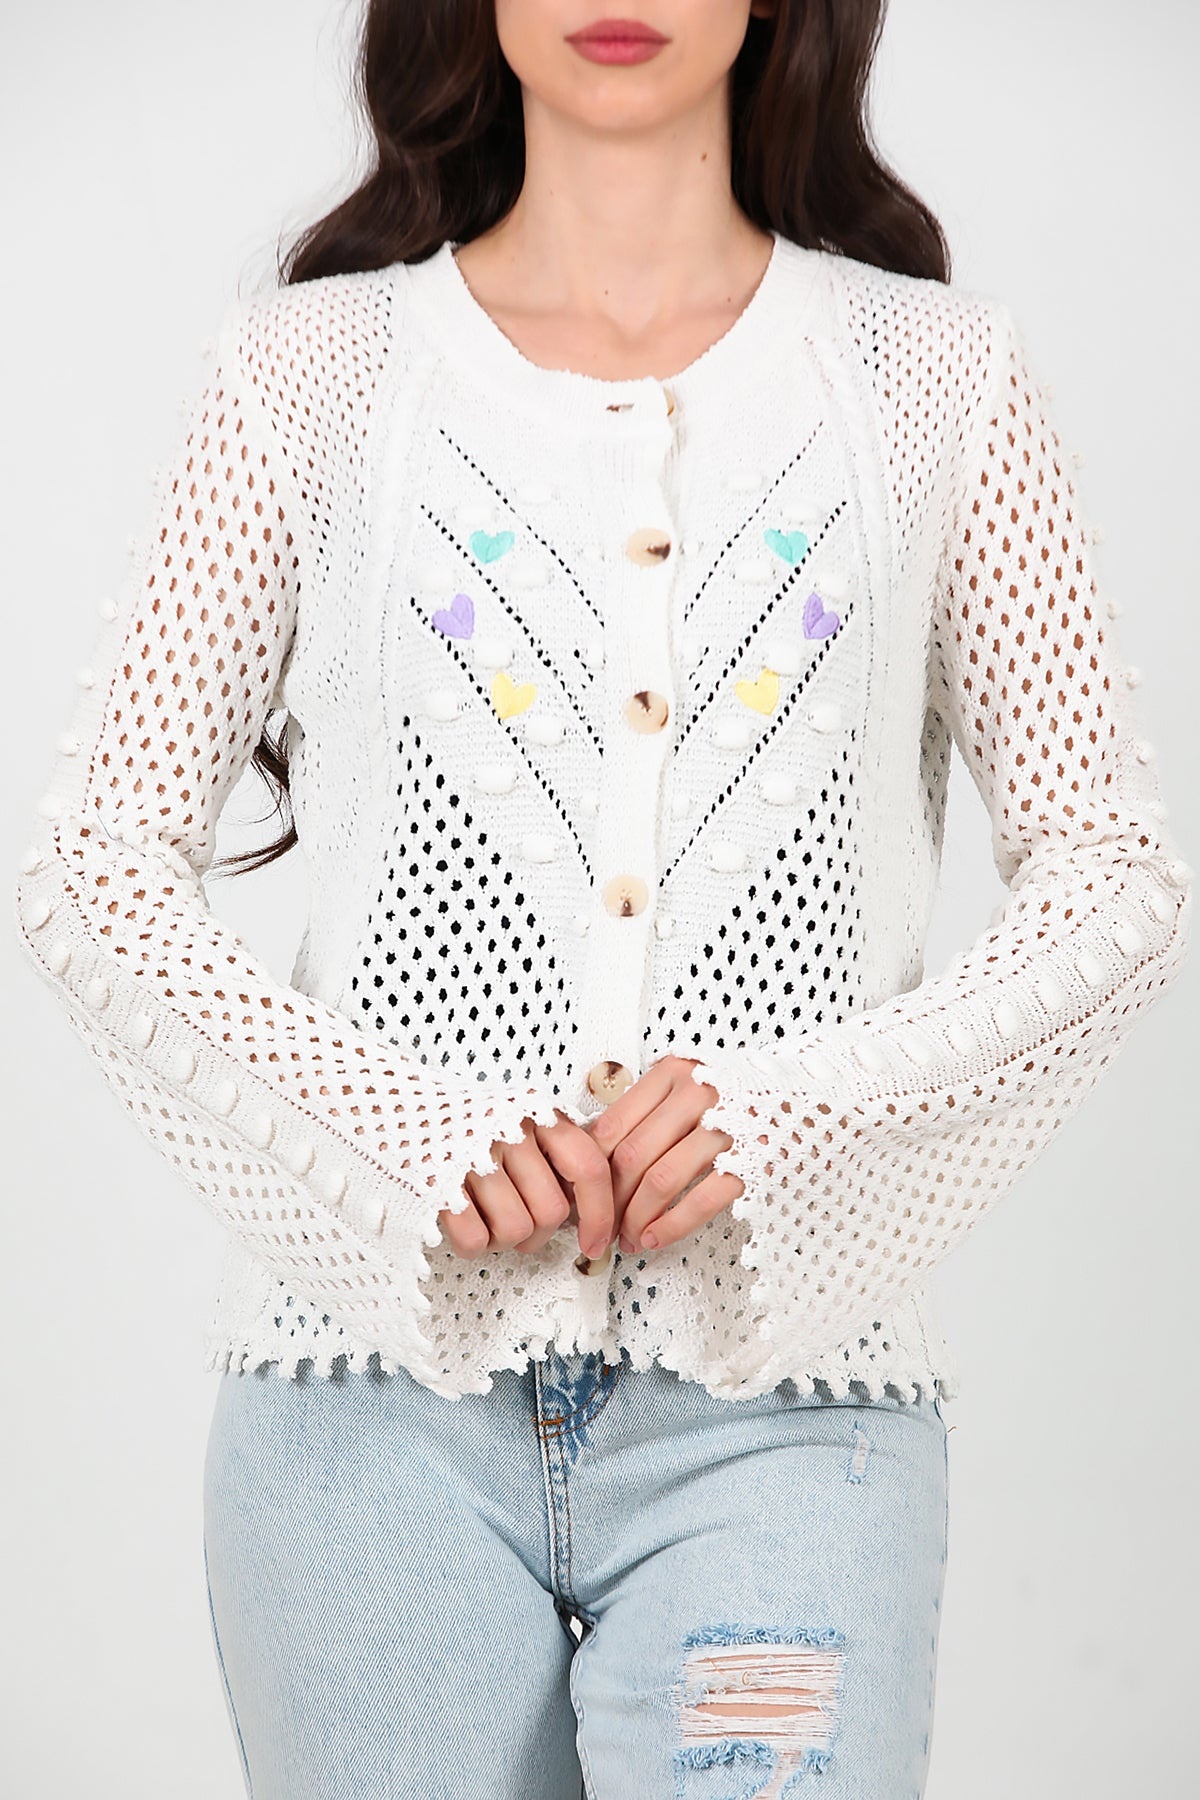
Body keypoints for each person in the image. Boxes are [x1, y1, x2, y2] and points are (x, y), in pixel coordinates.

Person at [12, 3, 1191, 1796]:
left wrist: (794, 1114)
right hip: (364, 1416)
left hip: (790, 1417)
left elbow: (1111, 872)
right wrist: (406, 1137)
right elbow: (96, 864)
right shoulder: (308, 375)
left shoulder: (938, 379)